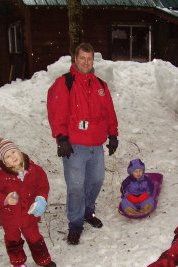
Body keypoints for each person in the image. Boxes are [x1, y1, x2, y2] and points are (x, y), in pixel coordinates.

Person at [47, 42, 119, 245]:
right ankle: (75, 224)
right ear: (75, 59)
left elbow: (109, 112)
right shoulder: (65, 83)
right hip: (75, 145)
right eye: (82, 58)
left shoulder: (101, 86)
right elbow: (56, 111)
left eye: (89, 59)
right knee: (76, 186)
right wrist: (61, 138)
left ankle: (88, 212)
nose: (86, 62)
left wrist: (113, 135)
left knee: (96, 180)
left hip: (96, 145)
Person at [0, 138, 56, 267]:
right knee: (13, 240)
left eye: (14, 152)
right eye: (8, 156)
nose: (12, 157)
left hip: (28, 213)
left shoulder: (35, 170)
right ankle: (19, 264)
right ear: (4, 161)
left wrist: (41, 199)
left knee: (35, 237)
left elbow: (43, 186)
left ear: (19, 151)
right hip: (10, 216)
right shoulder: (1, 177)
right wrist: (5, 199)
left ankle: (43, 259)